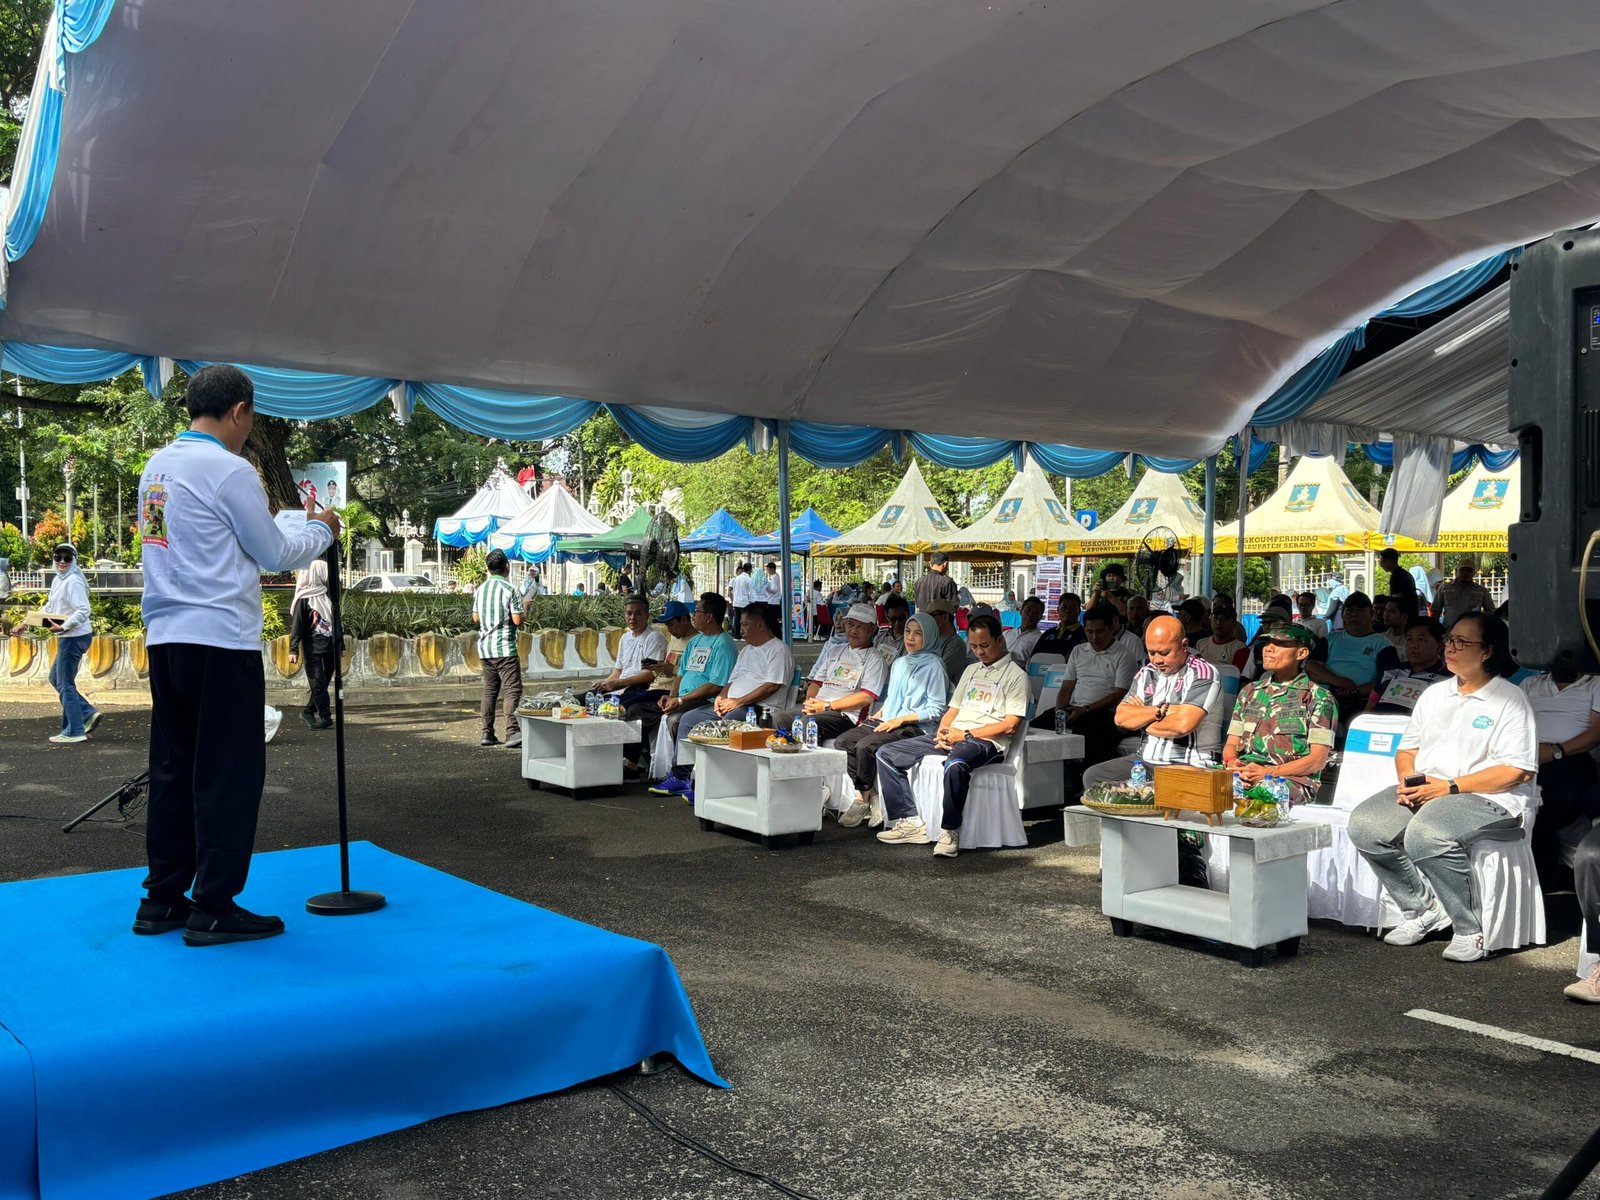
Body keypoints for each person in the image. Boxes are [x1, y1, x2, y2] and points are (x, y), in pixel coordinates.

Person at [135, 364, 340, 944]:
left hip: (166, 636)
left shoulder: (157, 467)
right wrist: (322, 530)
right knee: (227, 772)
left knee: (173, 768)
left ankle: (162, 898)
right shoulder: (231, 471)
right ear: (239, 410)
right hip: (221, 640)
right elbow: (273, 552)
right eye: (251, 417)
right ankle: (215, 904)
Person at [1347, 612, 1538, 963]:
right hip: (1431, 787)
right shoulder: (1434, 693)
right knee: (1365, 826)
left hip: (1488, 797)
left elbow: (1517, 771)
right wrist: (1408, 780)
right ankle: (1421, 910)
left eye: (1462, 642)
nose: (1451, 647)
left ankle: (1470, 928)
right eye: (1450, 639)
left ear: (1487, 651)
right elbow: (1407, 750)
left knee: (1426, 834)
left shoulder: (1510, 699)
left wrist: (1448, 787)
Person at [874, 614, 1030, 858]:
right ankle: (909, 820)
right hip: (956, 734)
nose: (979, 652)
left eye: (985, 645)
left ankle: (950, 830)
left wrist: (965, 734)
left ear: (1000, 640)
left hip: (986, 741)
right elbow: (952, 710)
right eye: (974, 646)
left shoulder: (1016, 676)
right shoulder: (971, 670)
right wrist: (943, 731)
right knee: (886, 754)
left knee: (956, 763)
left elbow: (1010, 725)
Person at [658, 603, 795, 800]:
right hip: (732, 704)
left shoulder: (778, 650)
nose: (741, 630)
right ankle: (681, 776)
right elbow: (731, 681)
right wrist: (721, 698)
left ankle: (712, 785)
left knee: (727, 724)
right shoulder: (747, 651)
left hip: (758, 709)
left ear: (760, 625)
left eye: (745, 625)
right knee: (688, 719)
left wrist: (737, 701)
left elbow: (772, 686)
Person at [836, 614, 952, 828]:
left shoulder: (934, 665)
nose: (910, 638)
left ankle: (861, 799)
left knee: (865, 746)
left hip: (915, 726)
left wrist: (900, 719)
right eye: (908, 631)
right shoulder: (900, 662)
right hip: (890, 718)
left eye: (918, 633)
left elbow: (936, 709)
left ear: (929, 636)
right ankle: (870, 796)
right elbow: (893, 697)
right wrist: (880, 714)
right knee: (844, 742)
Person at [1082, 615, 1223, 792]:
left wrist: (1140, 718)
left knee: (1161, 790)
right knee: (1093, 776)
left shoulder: (1203, 672)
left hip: (1190, 764)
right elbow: (1121, 717)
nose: (1156, 660)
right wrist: (1158, 711)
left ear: (1184, 645)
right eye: (1151, 652)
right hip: (1145, 761)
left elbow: (1182, 725)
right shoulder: (1146, 673)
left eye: (1164, 653)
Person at [1222, 624, 1337, 806]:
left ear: (1301, 653)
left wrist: (1268, 773)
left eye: (1280, 644)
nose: (1269, 648)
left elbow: (1317, 760)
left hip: (1288, 780)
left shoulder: (1319, 697)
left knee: (1258, 797)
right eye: (1268, 643)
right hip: (1244, 773)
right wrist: (1232, 764)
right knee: (1198, 784)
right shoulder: (1249, 691)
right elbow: (1231, 743)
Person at [645, 594, 738, 795]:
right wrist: (672, 696)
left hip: (705, 700)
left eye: (697, 611)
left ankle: (681, 775)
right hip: (684, 697)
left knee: (677, 718)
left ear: (709, 616)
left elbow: (716, 685)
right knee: (649, 709)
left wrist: (681, 700)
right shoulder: (695, 641)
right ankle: (664, 769)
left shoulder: (724, 644)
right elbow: (681, 674)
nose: (694, 615)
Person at [1520, 668, 1600, 888]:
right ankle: (1547, 879)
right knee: (1522, 806)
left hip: (1571, 755)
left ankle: (1553, 878)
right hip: (1528, 757)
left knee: (1553, 803)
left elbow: (1596, 733)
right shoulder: (1530, 683)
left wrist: (1556, 751)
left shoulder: (1595, 683)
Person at [1029, 604, 1138, 766]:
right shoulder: (1078, 651)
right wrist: (1060, 710)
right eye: (1089, 632)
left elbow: (1118, 694)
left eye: (1100, 631)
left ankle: (1081, 776)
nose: (1094, 637)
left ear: (1111, 629)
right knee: (1035, 727)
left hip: (1106, 713)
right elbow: (1067, 687)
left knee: (1090, 736)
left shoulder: (1124, 655)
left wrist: (1086, 709)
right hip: (1074, 708)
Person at [773, 602, 888, 748]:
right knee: (779, 718)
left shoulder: (875, 659)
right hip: (820, 708)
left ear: (872, 629)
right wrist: (810, 703)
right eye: (850, 624)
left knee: (809, 723)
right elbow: (816, 683)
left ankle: (811, 761)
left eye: (860, 627)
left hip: (847, 716)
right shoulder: (835, 651)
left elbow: (866, 697)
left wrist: (827, 706)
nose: (854, 630)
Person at [622, 599, 696, 777]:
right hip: (657, 685)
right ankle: (632, 757)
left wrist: (673, 672)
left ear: (684, 620)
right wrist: (658, 667)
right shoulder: (674, 640)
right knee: (621, 700)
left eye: (671, 624)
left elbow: (689, 674)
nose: (669, 630)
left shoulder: (696, 642)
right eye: (666, 625)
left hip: (670, 690)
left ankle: (633, 763)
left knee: (632, 708)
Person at [1306, 592, 1389, 727]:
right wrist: (1339, 682)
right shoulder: (1330, 638)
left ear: (1371, 614)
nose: (1354, 614)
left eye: (1360, 610)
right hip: (1324, 698)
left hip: (1362, 702)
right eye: (1349, 610)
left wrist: (1355, 691)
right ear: (1343, 614)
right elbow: (1311, 667)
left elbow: (1387, 680)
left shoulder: (1383, 644)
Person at [42, 542, 97, 744]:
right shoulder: (59, 579)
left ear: (74, 560)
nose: (62, 562)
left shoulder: (73, 580)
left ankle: (75, 730)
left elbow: (84, 610)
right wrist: (25, 623)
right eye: (58, 557)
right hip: (70, 636)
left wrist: (64, 626)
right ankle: (86, 713)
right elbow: (50, 607)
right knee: (56, 678)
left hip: (74, 637)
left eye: (67, 558)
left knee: (65, 683)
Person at [473, 548, 524, 749]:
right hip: (505, 648)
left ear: (488, 567)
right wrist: (526, 609)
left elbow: (475, 618)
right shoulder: (511, 589)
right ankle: (512, 731)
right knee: (512, 689)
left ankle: (487, 732)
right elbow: (517, 620)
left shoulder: (480, 589)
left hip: (485, 648)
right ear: (506, 567)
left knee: (490, 690)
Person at [594, 594, 669, 711]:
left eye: (638, 614)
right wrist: (604, 683)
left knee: (606, 707)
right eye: (629, 613)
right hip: (619, 686)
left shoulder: (654, 637)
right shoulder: (625, 638)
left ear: (647, 616)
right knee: (583, 698)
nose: (632, 618)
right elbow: (618, 671)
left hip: (638, 688)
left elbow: (650, 674)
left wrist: (618, 683)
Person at [288, 559, 337, 731]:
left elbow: (336, 623)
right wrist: (293, 649)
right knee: (317, 682)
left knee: (323, 682)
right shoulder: (303, 599)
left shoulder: (326, 596)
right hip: (313, 648)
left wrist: (341, 646)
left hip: (330, 646)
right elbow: (297, 626)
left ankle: (309, 711)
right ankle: (326, 717)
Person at [1366, 617, 1449, 714]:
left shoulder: (1448, 680)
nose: (1413, 645)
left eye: (1421, 639)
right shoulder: (1389, 671)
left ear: (1439, 646)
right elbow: (1370, 707)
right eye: (1409, 639)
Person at [922, 598, 972, 684]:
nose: (928, 620)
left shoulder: (956, 645)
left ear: (945, 617)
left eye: (932, 616)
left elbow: (938, 675)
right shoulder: (929, 641)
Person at [1435, 559, 1495, 629]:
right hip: (1449, 630)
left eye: (1469, 571)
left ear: (1474, 573)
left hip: (1472, 631)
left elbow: (1491, 612)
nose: (1465, 573)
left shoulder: (1481, 591)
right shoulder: (1444, 588)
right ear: (1456, 571)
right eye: (1462, 570)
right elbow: (1435, 611)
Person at [1195, 604, 1247, 669]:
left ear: (1234, 623)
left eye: (1225, 619)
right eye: (1216, 618)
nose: (1218, 622)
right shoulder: (1200, 644)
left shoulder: (1239, 648)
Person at [1033, 594, 1085, 659]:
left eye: (1072, 608)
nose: (1067, 611)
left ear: (1079, 611)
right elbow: (1033, 658)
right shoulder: (1048, 634)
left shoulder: (1085, 634)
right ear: (1058, 609)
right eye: (1064, 607)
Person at [1005, 596, 1046, 664]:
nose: (1030, 615)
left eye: (1035, 613)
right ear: (1021, 611)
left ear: (1040, 617)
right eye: (1028, 610)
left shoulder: (1040, 640)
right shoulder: (1007, 634)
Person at [876, 592, 909, 664]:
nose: (897, 623)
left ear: (907, 615)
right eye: (893, 619)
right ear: (886, 617)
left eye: (901, 618)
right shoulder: (879, 637)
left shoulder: (910, 641)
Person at [730, 562, 755, 639]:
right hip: (744, 603)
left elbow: (733, 590)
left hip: (736, 602)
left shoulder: (737, 578)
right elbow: (750, 592)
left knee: (737, 619)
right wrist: (752, 602)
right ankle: (745, 634)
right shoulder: (749, 579)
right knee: (745, 620)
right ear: (750, 570)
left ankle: (737, 635)